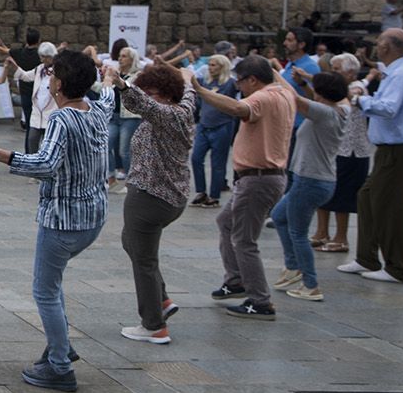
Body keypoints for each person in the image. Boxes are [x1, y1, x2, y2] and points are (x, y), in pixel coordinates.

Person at [0, 49, 111, 392]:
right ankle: (60, 344)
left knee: (44, 291)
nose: (48, 79)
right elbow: (108, 96)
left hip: (62, 219)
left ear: (59, 83)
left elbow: (46, 165)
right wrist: (110, 81)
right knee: (54, 283)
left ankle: (60, 366)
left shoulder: (62, 119)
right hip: (93, 217)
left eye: (52, 75)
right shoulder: (96, 111)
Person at [191, 54, 295, 320]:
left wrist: (201, 90)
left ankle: (260, 300)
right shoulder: (284, 92)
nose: (238, 86)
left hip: (258, 178)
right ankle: (236, 280)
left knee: (244, 240)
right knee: (226, 222)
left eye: (241, 81)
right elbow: (276, 80)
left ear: (253, 79)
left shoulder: (263, 97)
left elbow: (237, 109)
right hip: (260, 177)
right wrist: (273, 66)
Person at [102, 58, 194, 344]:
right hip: (168, 196)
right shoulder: (184, 108)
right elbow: (188, 92)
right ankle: (163, 300)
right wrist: (188, 79)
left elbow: (143, 104)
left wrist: (120, 83)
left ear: (166, 94)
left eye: (151, 91)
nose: (146, 97)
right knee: (131, 243)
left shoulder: (167, 114)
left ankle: (154, 325)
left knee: (143, 261)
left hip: (150, 196)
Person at [339, 28, 403, 284]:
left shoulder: (400, 74)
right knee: (366, 197)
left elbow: (388, 109)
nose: (377, 46)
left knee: (389, 207)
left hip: (399, 149)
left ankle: (398, 268)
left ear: (388, 47)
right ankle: (366, 258)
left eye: (379, 42)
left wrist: (359, 101)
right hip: (391, 149)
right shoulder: (394, 72)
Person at [269, 70, 349, 302]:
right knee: (279, 216)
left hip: (310, 181)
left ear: (321, 92)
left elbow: (292, 97)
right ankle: (293, 267)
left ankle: (311, 284)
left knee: (298, 233)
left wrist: (274, 72)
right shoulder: (341, 109)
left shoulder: (324, 113)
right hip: (316, 180)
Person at [313, 52, 370, 252]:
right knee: (325, 189)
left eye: (336, 70)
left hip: (352, 151)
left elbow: (352, 94)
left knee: (343, 194)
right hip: (334, 148)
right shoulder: (334, 91)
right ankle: (322, 231)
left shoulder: (357, 88)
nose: (332, 73)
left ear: (350, 72)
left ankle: (341, 237)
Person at [190, 55, 237, 208]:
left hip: (222, 125)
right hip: (204, 125)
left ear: (222, 66)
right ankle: (201, 191)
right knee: (196, 158)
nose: (210, 67)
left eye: (214, 65)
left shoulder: (231, 83)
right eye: (209, 64)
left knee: (218, 163)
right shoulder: (205, 82)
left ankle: (214, 196)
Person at [106, 46, 144, 191]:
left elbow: (134, 91)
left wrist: (117, 80)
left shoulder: (138, 75)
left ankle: (130, 181)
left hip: (129, 116)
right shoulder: (115, 73)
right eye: (120, 56)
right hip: (114, 115)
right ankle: (110, 176)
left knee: (124, 150)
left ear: (132, 59)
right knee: (106, 146)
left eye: (124, 56)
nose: (120, 59)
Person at [19, 42, 59, 155]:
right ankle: (32, 166)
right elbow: (26, 76)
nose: (41, 60)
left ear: (50, 56)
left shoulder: (60, 70)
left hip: (51, 114)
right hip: (37, 114)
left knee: (49, 145)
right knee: (32, 140)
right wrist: (13, 67)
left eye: (44, 57)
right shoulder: (39, 69)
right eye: (41, 57)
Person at [11, 30, 43, 132]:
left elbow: (3, 50)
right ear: (38, 41)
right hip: (38, 91)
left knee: (29, 118)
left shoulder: (20, 52)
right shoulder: (40, 55)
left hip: (24, 89)